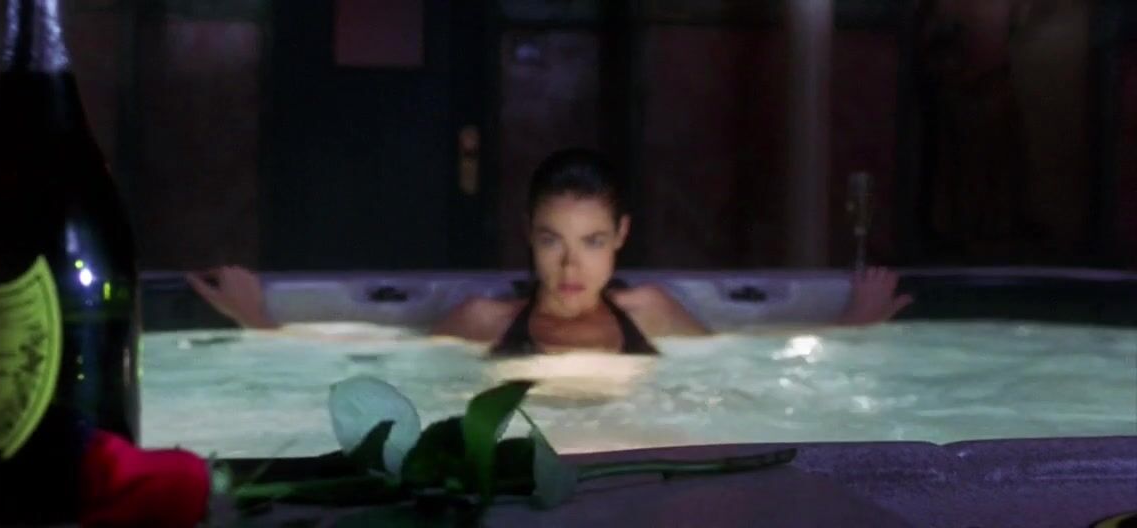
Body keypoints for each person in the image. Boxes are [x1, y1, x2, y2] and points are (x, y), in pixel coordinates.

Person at [188, 148, 913, 354]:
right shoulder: (484, 321)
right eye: (552, 241)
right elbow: (378, 350)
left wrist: (849, 326)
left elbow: (746, 350)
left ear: (621, 236)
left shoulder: (649, 310)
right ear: (528, 236)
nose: (571, 267)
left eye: (593, 242)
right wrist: (263, 321)